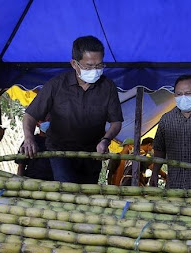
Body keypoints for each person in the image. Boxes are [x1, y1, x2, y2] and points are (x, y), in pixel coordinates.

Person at [22, 35, 123, 183]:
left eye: (99, 65)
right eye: (89, 66)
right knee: (67, 190)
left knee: (86, 197)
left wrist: (106, 140)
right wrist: (29, 138)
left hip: (91, 156)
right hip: (60, 152)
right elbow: (30, 115)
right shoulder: (56, 85)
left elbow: (116, 122)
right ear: (74, 64)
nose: (95, 70)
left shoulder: (108, 87)